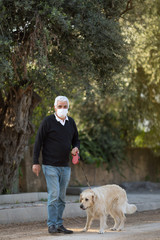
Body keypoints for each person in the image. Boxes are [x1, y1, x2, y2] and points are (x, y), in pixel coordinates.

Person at [32, 96, 80, 234]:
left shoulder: (71, 122)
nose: (62, 109)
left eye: (65, 106)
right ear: (54, 107)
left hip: (65, 166)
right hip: (50, 165)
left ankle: (59, 224)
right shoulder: (48, 121)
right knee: (54, 194)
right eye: (60, 106)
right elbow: (38, 142)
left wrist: (76, 148)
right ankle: (51, 224)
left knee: (62, 197)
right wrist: (36, 162)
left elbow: (76, 139)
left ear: (68, 108)